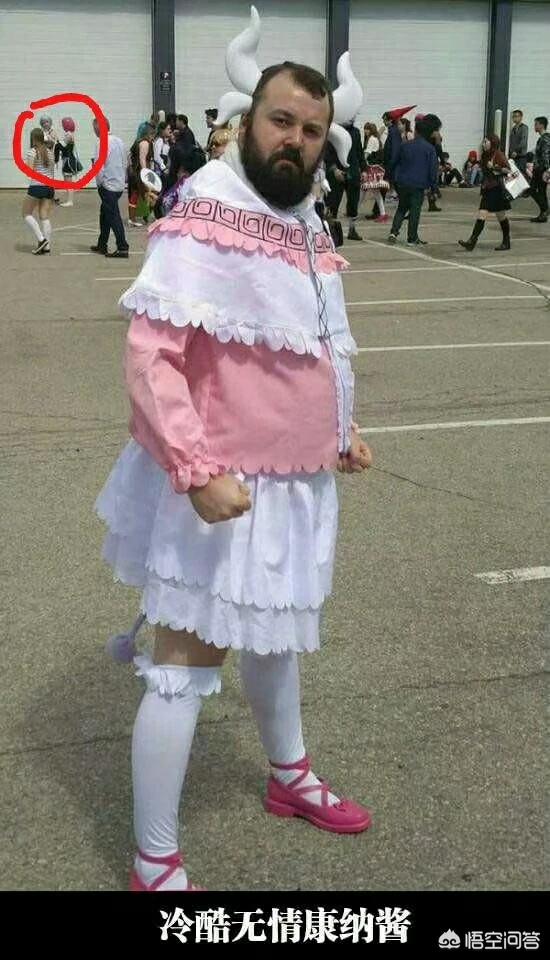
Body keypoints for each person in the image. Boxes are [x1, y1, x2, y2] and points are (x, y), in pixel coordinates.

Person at [95, 6, 373, 894]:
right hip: (217, 484)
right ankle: (154, 860)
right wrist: (194, 468)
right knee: (183, 668)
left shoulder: (306, 219)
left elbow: (317, 337)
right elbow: (153, 356)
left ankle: (290, 777)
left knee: (274, 639)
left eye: (312, 130)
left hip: (294, 482)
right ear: (249, 120)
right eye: (281, 120)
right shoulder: (207, 209)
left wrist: (340, 428)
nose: (295, 140)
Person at [387, 116, 438, 245]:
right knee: (415, 210)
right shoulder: (430, 149)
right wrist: (434, 188)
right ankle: (412, 238)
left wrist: (390, 176)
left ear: (416, 131)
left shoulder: (405, 145)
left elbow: (394, 161)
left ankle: (393, 232)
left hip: (403, 182)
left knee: (401, 208)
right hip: (418, 184)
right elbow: (433, 170)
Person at [459, 134, 512, 251]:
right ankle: (472, 241)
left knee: (501, 216)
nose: (483, 144)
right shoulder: (485, 155)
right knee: (483, 214)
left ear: (492, 143)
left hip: (497, 189)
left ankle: (506, 241)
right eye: (483, 142)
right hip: (488, 189)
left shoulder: (498, 154)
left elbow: (508, 170)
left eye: (486, 142)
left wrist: (494, 167)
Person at [90, 117, 129, 259]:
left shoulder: (101, 142)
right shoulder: (119, 141)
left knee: (113, 216)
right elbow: (125, 161)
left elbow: (98, 165)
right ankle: (102, 243)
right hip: (118, 183)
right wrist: (123, 178)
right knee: (104, 214)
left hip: (108, 185)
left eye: (95, 129)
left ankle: (122, 247)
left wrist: (100, 183)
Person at [325, 117, 366, 240]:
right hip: (336, 172)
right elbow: (327, 152)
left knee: (353, 202)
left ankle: (352, 230)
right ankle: (330, 231)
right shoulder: (333, 131)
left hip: (353, 171)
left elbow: (359, 151)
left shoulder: (356, 132)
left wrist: (364, 169)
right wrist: (334, 169)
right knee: (332, 202)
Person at [21, 127, 55, 254]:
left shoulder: (32, 152)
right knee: (44, 216)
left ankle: (41, 240)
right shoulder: (50, 152)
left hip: (37, 186)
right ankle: (47, 246)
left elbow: (29, 172)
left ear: (34, 139)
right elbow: (51, 171)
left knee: (26, 213)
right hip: (49, 186)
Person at [127, 122, 155, 226]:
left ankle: (134, 218)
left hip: (136, 171)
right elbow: (142, 159)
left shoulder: (137, 142)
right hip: (140, 172)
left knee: (136, 194)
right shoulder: (145, 143)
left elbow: (130, 156)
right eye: (152, 133)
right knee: (147, 193)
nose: (153, 136)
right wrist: (145, 173)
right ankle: (137, 217)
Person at [361, 122, 389, 222]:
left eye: (367, 129)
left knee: (366, 190)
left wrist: (361, 163)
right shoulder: (376, 139)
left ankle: (354, 212)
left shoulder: (371, 139)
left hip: (371, 169)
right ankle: (383, 213)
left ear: (371, 130)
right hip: (375, 169)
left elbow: (367, 153)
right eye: (365, 129)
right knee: (373, 192)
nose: (365, 131)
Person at [55, 117, 82, 207]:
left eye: (63, 124)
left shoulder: (68, 135)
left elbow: (63, 147)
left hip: (68, 161)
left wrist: (57, 143)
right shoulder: (70, 134)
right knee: (67, 181)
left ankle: (70, 201)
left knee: (68, 182)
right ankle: (69, 200)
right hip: (67, 159)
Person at [530, 116, 550, 223]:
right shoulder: (542, 138)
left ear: (541, 125)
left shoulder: (545, 138)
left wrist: (547, 171)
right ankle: (543, 215)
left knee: (532, 190)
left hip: (541, 170)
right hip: (539, 169)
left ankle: (545, 209)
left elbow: (546, 155)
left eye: (536, 124)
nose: (534, 126)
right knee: (541, 192)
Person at [508, 109, 529, 173]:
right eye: (513, 116)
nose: (515, 118)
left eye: (516, 116)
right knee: (512, 173)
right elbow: (511, 142)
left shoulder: (524, 127)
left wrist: (516, 151)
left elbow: (523, 141)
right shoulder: (513, 128)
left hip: (520, 156)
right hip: (512, 156)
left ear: (521, 117)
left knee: (521, 174)